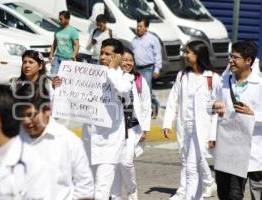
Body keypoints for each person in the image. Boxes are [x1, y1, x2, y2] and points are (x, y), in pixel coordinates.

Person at [162, 40, 220, 200]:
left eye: (188, 52)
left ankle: (193, 190)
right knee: (187, 159)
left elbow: (217, 110)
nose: (185, 55)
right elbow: (173, 99)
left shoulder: (213, 78)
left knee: (195, 161)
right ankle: (190, 190)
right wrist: (167, 122)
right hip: (185, 125)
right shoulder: (182, 76)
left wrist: (213, 135)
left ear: (198, 55)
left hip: (203, 128)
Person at [15, 84, 94, 200]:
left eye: (30, 115)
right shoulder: (12, 141)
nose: (26, 121)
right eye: (21, 116)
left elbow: (85, 189)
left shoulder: (69, 141)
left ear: (47, 110)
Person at [82, 38, 134, 200]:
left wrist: (111, 69)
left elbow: (122, 89)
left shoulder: (125, 77)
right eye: (101, 54)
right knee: (88, 184)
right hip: (90, 136)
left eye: (107, 54)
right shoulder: (92, 74)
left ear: (118, 57)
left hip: (110, 139)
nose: (102, 57)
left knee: (102, 186)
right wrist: (60, 85)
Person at [211, 41, 262, 200]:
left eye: (235, 57)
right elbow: (208, 104)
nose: (231, 60)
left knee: (243, 193)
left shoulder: (259, 85)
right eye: (230, 56)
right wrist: (215, 104)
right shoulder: (224, 81)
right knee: (226, 194)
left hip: (251, 148)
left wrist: (253, 114)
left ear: (248, 61)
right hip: (227, 150)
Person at [110, 48, 152, 200]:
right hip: (115, 129)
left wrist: (145, 129)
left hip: (133, 128)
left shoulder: (139, 79)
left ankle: (132, 193)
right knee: (115, 164)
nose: (127, 63)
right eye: (125, 59)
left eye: (130, 60)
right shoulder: (113, 77)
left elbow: (146, 104)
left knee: (126, 162)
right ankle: (115, 197)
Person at [130, 17, 161, 118]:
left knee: (146, 89)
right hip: (137, 69)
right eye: (137, 26)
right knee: (138, 89)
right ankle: (143, 109)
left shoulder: (152, 39)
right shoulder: (133, 40)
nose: (138, 28)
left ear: (146, 27)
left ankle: (153, 107)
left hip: (148, 68)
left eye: (141, 26)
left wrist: (157, 69)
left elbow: (157, 54)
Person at [49, 10, 79, 74]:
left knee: (64, 78)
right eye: (59, 19)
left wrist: (73, 56)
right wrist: (51, 55)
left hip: (67, 58)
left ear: (67, 19)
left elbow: (77, 45)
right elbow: (54, 43)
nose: (59, 21)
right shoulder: (57, 29)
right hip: (57, 57)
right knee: (53, 76)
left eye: (61, 19)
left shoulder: (73, 31)